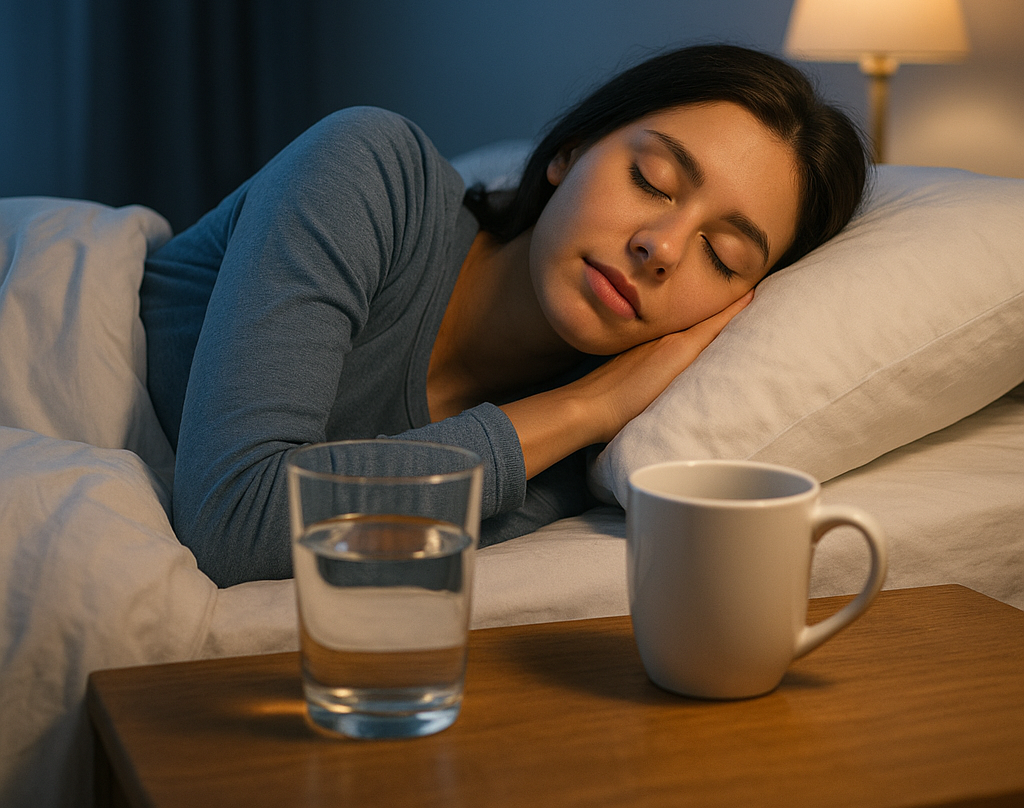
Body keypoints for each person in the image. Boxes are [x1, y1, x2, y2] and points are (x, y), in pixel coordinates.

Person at [141, 44, 868, 587]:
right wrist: (589, 402)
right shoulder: (369, 169)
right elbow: (235, 524)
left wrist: (585, 420)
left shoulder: (566, 467)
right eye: (652, 179)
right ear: (571, 151)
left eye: (723, 256)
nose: (663, 247)